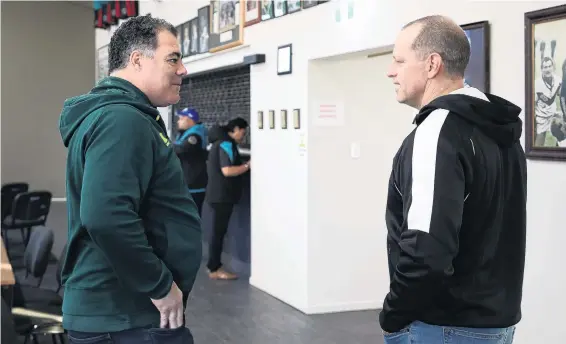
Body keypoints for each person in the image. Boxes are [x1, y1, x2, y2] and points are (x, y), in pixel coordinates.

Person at [380, 15, 526, 344]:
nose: (391, 71)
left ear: (432, 64)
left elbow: (426, 249)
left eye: (400, 60)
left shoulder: (437, 132)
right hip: (496, 324)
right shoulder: (500, 131)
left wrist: (393, 314)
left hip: (441, 326)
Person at [58, 15, 202, 343]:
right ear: (137, 60)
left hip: (126, 313)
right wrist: (161, 286)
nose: (183, 69)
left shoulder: (123, 116)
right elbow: (106, 216)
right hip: (124, 315)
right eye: (173, 58)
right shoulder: (122, 120)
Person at [205, 117, 250, 280]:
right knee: (218, 232)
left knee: (217, 232)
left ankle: (213, 266)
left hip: (216, 194)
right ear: (236, 129)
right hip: (222, 196)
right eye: (242, 133)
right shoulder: (226, 144)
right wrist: (247, 166)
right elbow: (227, 171)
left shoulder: (218, 142)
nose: (243, 137)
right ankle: (214, 268)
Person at [174, 107, 208, 216]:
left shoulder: (195, 136)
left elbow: (181, 150)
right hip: (185, 184)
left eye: (181, 119)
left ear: (189, 119)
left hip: (193, 186)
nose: (178, 121)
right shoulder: (184, 134)